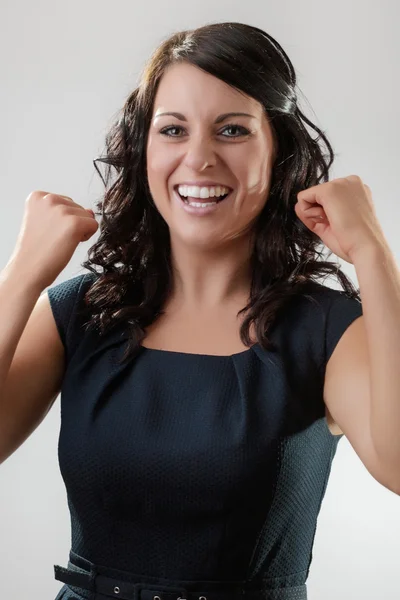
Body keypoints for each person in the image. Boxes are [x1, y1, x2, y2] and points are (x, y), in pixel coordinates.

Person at [0, 22, 366, 600]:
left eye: (232, 130)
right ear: (144, 148)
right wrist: (21, 275)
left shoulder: (329, 329)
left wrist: (374, 255)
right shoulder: (79, 313)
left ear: (279, 151)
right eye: (173, 129)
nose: (199, 158)